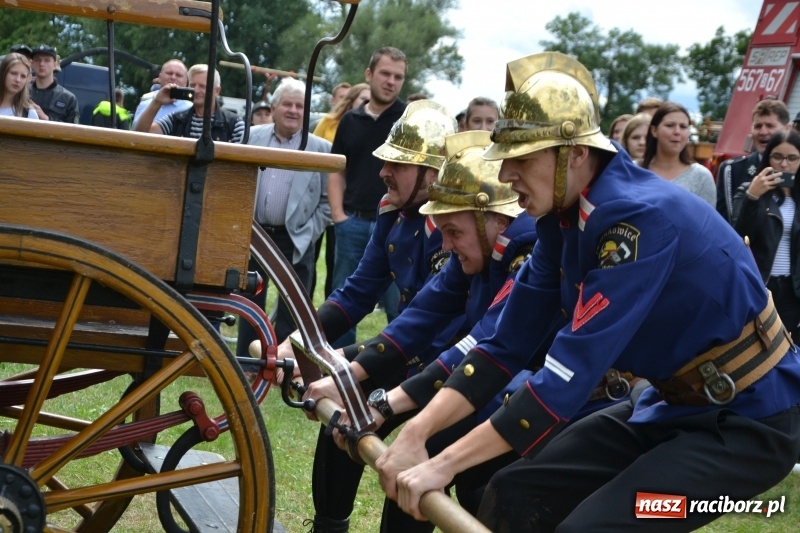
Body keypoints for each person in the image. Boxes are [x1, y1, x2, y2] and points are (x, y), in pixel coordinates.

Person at [378, 51, 800, 532]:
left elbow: (565, 378)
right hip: (669, 405)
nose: (506, 175)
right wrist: (416, 433)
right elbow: (502, 345)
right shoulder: (563, 221)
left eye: (522, 159)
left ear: (575, 154)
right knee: (515, 491)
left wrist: (441, 464)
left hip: (749, 424)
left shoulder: (635, 219)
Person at [305, 130, 541, 532]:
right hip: (472, 376)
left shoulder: (526, 250)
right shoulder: (476, 241)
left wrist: (385, 405)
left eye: (454, 233)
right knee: (399, 444)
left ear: (497, 220)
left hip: (526, 390)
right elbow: (418, 316)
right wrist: (347, 377)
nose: (446, 246)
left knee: (452, 468)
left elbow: (485, 342)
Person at [274, 100, 457, 532]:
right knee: (340, 415)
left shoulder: (455, 226)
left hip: (452, 365)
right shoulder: (393, 211)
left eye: (398, 164)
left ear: (434, 174)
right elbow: (355, 294)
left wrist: (346, 364)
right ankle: (328, 526)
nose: (383, 172)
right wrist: (294, 343)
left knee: (416, 467)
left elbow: (433, 330)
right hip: (406, 348)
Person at [237, 78, 331, 348]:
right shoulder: (251, 137)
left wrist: (309, 232)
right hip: (255, 234)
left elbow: (328, 201)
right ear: (274, 108)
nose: (293, 110)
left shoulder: (321, 148)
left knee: (293, 309)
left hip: (296, 238)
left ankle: (283, 361)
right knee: (249, 303)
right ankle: (246, 360)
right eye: (287, 104)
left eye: (300, 106)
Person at [328, 46, 408, 346]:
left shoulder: (407, 122)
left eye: (398, 77)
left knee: (400, 304)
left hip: (397, 226)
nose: (391, 81)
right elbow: (337, 170)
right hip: (353, 223)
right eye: (385, 73)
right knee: (343, 301)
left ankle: (397, 363)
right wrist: (339, 216)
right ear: (369, 74)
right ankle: (335, 363)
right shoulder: (350, 120)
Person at [732, 129, 800, 341]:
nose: (784, 165)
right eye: (777, 157)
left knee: (790, 346)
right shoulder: (750, 190)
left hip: (793, 289)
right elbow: (738, 237)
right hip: (762, 284)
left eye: (792, 158)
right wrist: (752, 197)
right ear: (768, 158)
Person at [312, 82, 370, 298]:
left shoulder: (368, 126)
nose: (367, 103)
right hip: (322, 197)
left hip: (347, 204)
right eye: (363, 99)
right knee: (314, 255)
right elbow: (314, 153)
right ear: (352, 101)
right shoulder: (329, 123)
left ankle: (332, 301)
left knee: (335, 262)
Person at [717, 99, 790, 223]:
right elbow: (722, 221)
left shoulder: (796, 169)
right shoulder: (731, 171)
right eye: (758, 126)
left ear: (787, 129)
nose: (763, 132)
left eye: (770, 126)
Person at [135, 64, 244, 143]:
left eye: (202, 86)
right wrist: (157, 102)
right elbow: (140, 135)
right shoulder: (177, 119)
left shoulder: (234, 123)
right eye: (192, 85)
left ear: (217, 91)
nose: (196, 90)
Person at [640, 102, 715, 206]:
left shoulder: (701, 176)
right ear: (654, 131)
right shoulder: (632, 169)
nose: (677, 132)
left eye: (683, 127)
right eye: (670, 125)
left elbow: (707, 216)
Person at [131, 59, 191, 129]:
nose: (173, 77)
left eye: (178, 75)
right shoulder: (145, 103)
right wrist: (156, 102)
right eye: (169, 73)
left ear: (186, 82)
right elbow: (136, 133)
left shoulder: (190, 108)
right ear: (160, 77)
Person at [28, 44, 78, 123]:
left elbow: (74, 129)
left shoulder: (68, 98)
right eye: (38, 60)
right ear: (32, 63)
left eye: (47, 60)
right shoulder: (23, 93)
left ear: (55, 65)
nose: (41, 64)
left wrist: (47, 119)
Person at [0, 53, 37, 119]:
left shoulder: (29, 114)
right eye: (13, 73)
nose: (18, 80)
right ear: (3, 73)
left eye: (23, 76)